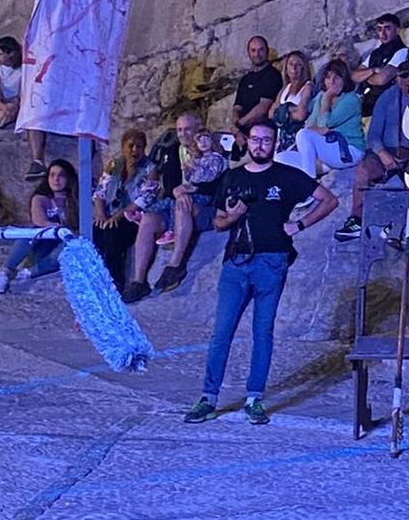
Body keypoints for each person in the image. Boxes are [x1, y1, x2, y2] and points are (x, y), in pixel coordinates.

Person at [182, 118, 335, 427]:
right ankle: (208, 397)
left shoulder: (287, 176)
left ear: (275, 144)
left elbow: (329, 200)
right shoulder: (233, 177)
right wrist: (233, 216)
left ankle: (254, 398)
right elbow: (218, 222)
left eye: (266, 140)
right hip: (236, 262)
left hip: (272, 262)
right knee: (221, 332)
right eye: (255, 140)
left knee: (262, 332)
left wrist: (299, 224)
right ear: (248, 142)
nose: (260, 145)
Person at [123, 111, 225, 302]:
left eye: (187, 129)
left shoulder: (210, 149)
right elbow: (170, 185)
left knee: (182, 204)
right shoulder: (173, 151)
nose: (183, 134)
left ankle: (175, 265)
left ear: (198, 128)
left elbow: (214, 180)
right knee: (148, 219)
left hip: (203, 203)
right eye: (179, 130)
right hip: (175, 202)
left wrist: (187, 190)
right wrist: (179, 191)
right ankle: (139, 281)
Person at [336, 63, 409, 239]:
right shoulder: (387, 98)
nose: (406, 80)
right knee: (363, 171)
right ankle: (356, 219)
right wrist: (382, 152)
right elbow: (374, 134)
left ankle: (405, 227)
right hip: (384, 152)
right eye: (402, 76)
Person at [0, 160, 77, 294]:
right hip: (44, 244)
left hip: (62, 248)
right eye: (52, 175)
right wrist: (53, 226)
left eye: (61, 175)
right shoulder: (40, 198)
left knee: (72, 245)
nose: (56, 179)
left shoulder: (76, 199)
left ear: (69, 178)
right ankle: (5, 272)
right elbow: (39, 219)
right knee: (30, 232)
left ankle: (27, 274)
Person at [91, 128, 148, 291]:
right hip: (110, 215)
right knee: (95, 231)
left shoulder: (150, 170)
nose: (134, 150)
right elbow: (100, 192)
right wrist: (101, 213)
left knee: (113, 233)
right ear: (123, 147)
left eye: (139, 146)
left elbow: (143, 199)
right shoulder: (114, 166)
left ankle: (115, 282)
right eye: (131, 146)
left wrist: (118, 215)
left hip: (133, 218)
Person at [290, 57, 364, 180]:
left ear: (344, 79)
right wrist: (317, 129)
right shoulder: (320, 97)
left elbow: (326, 123)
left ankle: (310, 185)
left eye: (337, 78)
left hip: (348, 150)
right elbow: (310, 124)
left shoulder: (352, 99)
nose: (332, 82)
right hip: (327, 149)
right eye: (328, 78)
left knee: (303, 135)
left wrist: (327, 99)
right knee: (281, 158)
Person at [352, 14, 408, 119]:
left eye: (387, 28)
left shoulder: (402, 51)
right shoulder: (375, 53)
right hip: (367, 106)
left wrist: (366, 77)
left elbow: (381, 79)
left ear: (397, 30)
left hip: (388, 107)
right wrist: (374, 70)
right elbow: (354, 76)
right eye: (379, 29)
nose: (383, 33)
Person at [231, 35, 283, 148]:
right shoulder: (245, 79)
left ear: (267, 51)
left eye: (261, 50)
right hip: (242, 136)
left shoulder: (273, 75)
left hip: (262, 136)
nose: (257, 54)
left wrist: (239, 124)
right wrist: (236, 130)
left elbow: (263, 106)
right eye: (253, 50)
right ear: (248, 52)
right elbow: (237, 108)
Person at [270, 51, 314, 156]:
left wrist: (282, 111)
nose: (294, 68)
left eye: (298, 65)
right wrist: (290, 108)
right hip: (280, 138)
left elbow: (300, 114)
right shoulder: (285, 88)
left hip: (296, 137)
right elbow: (271, 113)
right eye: (291, 64)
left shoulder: (308, 86)